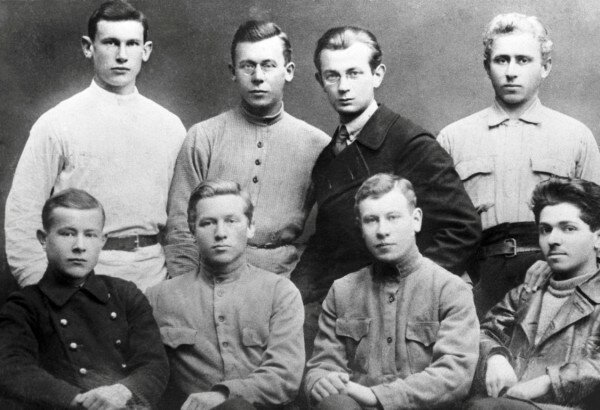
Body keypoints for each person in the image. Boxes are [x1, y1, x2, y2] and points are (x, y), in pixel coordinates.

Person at [290, 26, 481, 353]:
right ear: (320, 81)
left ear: (377, 75)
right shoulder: (328, 158)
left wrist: (405, 291)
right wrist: (289, 297)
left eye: (354, 73)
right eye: (333, 76)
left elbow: (462, 229)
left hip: (395, 308)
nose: (344, 87)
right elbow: (325, 243)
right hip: (341, 301)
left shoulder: (411, 144)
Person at [4, 0, 186, 291]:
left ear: (146, 50)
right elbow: (22, 219)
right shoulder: (56, 123)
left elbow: (183, 220)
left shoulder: (170, 126)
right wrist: (46, 293)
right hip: (77, 281)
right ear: (89, 47)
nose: (122, 55)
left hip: (153, 279)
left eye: (131, 44)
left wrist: (177, 287)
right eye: (111, 43)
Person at [438, 13, 600, 318]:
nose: (511, 72)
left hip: (557, 280)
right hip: (479, 280)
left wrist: (555, 265)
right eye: (502, 60)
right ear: (487, 67)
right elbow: (438, 226)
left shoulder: (576, 136)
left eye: (523, 60)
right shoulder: (453, 138)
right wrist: (460, 284)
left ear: (545, 67)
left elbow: (596, 224)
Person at [165, 20, 329, 279]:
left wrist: (300, 289)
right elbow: (180, 230)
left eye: (268, 65)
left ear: (288, 71)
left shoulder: (318, 145)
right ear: (233, 71)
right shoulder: (203, 136)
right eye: (248, 66)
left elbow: (332, 235)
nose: (258, 77)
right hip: (209, 279)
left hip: (283, 280)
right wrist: (187, 288)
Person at [304, 173, 479, 409]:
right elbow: (322, 364)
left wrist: (376, 396)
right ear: (361, 227)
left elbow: (454, 375)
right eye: (371, 220)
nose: (382, 230)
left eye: (393, 217)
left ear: (416, 220)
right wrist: (319, 381)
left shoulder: (450, 289)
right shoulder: (342, 291)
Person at [0, 189, 168, 410]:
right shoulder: (24, 306)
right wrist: (81, 401)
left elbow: (154, 364)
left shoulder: (126, 295)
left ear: (102, 241)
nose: (80, 246)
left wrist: (122, 392)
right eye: (67, 233)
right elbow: (13, 370)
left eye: (90, 235)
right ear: (43, 238)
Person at [147, 179, 305, 410]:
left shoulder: (280, 292)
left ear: (250, 227)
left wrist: (223, 395)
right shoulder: (159, 298)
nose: (220, 233)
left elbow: (285, 376)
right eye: (208, 223)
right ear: (192, 230)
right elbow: (146, 371)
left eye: (231, 221)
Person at [468, 178, 600, 410]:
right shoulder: (525, 293)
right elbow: (484, 332)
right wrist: (495, 357)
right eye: (545, 230)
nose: (553, 240)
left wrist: (549, 382)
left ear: (598, 238)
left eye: (568, 228)